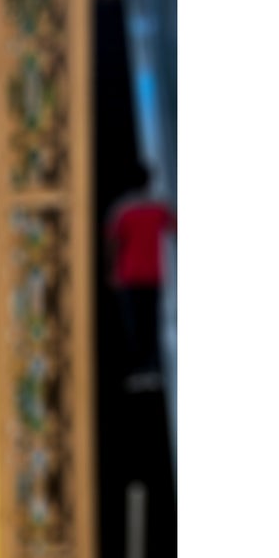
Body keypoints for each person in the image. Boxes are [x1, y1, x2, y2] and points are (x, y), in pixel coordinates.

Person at [104, 160, 176, 390]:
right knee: (152, 322)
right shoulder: (158, 207)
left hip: (128, 274)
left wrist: (112, 270)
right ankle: (153, 368)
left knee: (133, 324)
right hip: (153, 273)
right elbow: (175, 228)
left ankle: (138, 370)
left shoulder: (121, 210)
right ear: (148, 182)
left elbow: (113, 243)